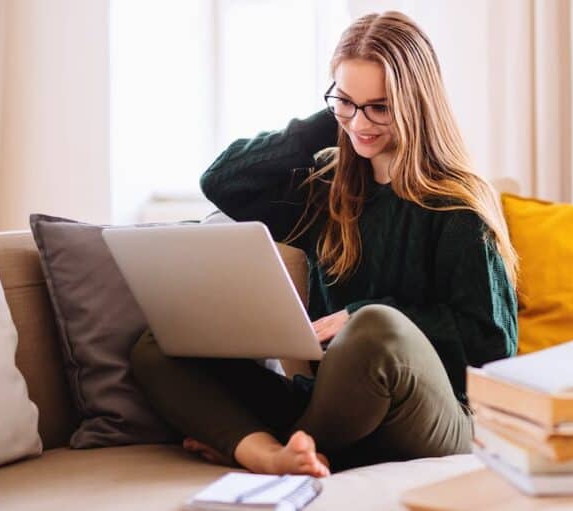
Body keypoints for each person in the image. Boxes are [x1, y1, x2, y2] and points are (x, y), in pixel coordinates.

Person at [129, 11, 519, 477]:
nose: (361, 124)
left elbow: (493, 345)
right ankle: (276, 454)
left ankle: (284, 447)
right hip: (334, 405)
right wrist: (332, 119)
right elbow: (223, 180)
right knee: (159, 346)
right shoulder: (326, 191)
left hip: (437, 415)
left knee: (376, 328)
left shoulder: (457, 204)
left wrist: (362, 317)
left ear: (416, 103)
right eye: (346, 103)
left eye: (380, 106)